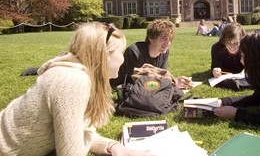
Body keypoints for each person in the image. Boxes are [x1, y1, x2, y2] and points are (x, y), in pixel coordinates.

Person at [0, 22, 152, 156]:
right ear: (105, 56)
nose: (122, 59)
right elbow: (71, 152)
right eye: (120, 52)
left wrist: (112, 146)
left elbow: (79, 130)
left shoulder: (78, 75)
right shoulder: (72, 81)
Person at [110, 19, 193, 89]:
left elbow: (161, 75)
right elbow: (141, 81)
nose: (167, 43)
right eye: (163, 38)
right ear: (151, 38)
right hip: (122, 84)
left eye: (170, 39)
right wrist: (173, 82)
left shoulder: (164, 52)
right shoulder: (135, 52)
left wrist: (176, 80)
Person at [210, 22, 250, 90]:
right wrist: (215, 70)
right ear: (224, 40)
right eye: (228, 42)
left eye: (235, 43)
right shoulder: (217, 48)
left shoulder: (247, 47)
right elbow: (215, 65)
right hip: (225, 75)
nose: (232, 46)